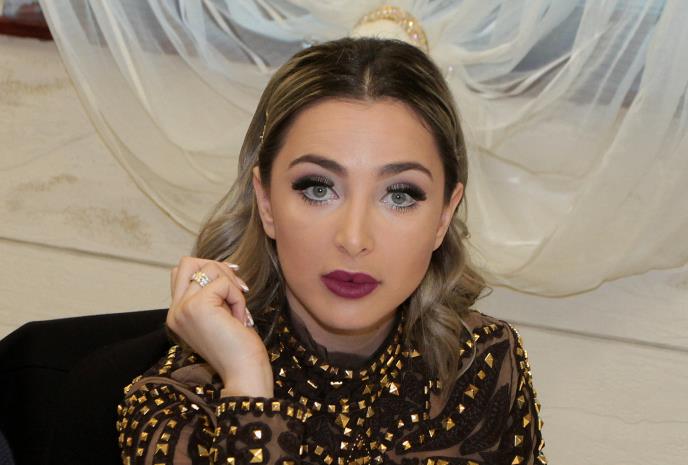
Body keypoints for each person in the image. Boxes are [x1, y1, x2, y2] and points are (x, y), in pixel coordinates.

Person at [116, 37, 546, 465]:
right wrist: (247, 384)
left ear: (443, 217)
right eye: (318, 189)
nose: (354, 239)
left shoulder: (485, 365)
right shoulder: (175, 406)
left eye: (399, 195)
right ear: (266, 202)